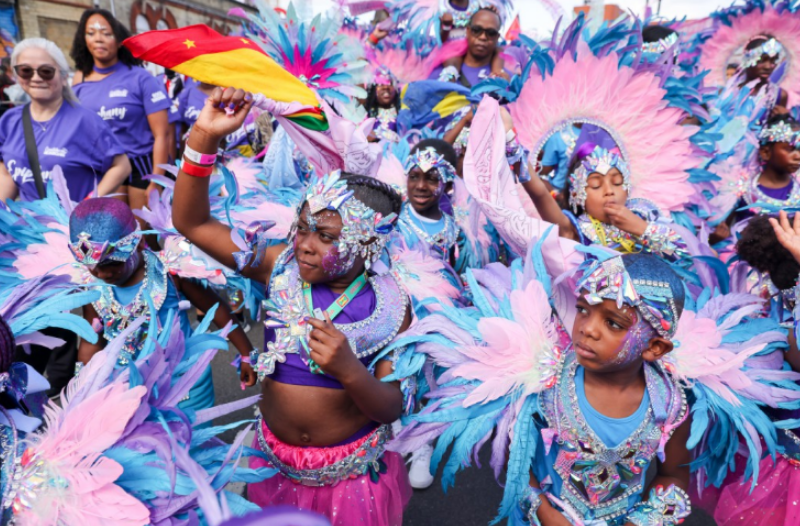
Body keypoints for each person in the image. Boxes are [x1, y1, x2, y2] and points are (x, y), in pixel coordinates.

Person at [172, 87, 412, 526]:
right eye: (303, 228)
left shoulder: (390, 305)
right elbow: (192, 223)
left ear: (370, 245)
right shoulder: (277, 268)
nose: (305, 245)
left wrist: (349, 370)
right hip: (273, 468)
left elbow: (391, 408)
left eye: (327, 237)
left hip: (351, 483)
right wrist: (205, 136)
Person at [69, 197, 254, 416]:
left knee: (192, 446)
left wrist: (246, 354)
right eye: (92, 267)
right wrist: (83, 387)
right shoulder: (93, 287)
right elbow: (92, 341)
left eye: (111, 265)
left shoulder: (171, 271)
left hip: (185, 384)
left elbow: (217, 309)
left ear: (138, 242)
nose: (102, 274)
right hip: (127, 388)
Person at [0, 38, 129, 203]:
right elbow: (6, 173)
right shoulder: (9, 121)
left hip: (74, 226)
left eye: (46, 71)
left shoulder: (86, 121)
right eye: (26, 70)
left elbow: (121, 166)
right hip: (27, 226)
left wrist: (86, 206)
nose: (36, 78)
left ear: (63, 77)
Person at [71, 8, 172, 212]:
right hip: (103, 168)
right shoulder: (79, 79)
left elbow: (164, 134)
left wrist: (157, 180)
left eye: (106, 33)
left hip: (141, 168)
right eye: (91, 33)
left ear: (119, 41)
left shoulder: (140, 78)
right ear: (84, 40)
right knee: (113, 235)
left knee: (144, 236)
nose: (98, 39)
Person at [432, 8, 508, 86]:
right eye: (476, 30)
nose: (483, 37)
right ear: (467, 31)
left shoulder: (505, 79)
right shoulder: (442, 70)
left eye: (491, 33)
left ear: (497, 37)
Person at [364, 68, 400, 143]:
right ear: (373, 89)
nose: (386, 87)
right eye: (380, 84)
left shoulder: (402, 113)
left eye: (390, 84)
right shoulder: (365, 113)